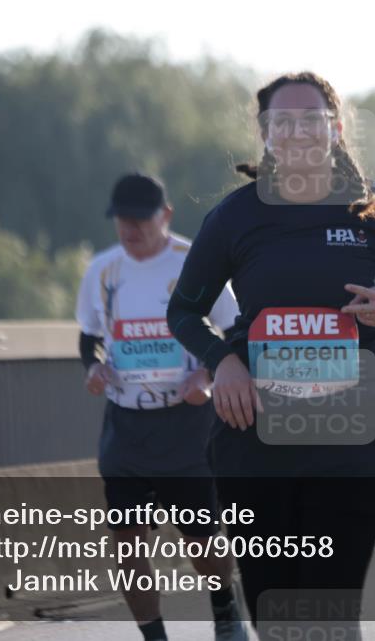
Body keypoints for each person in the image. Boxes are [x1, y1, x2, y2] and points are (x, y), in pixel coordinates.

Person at [166, 73, 375, 634]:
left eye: (311, 120)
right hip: (257, 437)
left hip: (355, 433)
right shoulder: (235, 216)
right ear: (265, 133)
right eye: (283, 121)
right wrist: (222, 360)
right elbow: (183, 311)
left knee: (327, 608)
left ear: (336, 128)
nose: (297, 131)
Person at [76, 173, 248, 641]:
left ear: (165, 216)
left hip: (186, 423)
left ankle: (225, 610)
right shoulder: (102, 270)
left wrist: (207, 376)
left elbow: (234, 333)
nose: (130, 230)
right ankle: (154, 636)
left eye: (140, 220)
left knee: (202, 539)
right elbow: (90, 336)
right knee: (128, 541)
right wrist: (93, 368)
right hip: (125, 425)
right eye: (122, 221)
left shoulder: (195, 262)